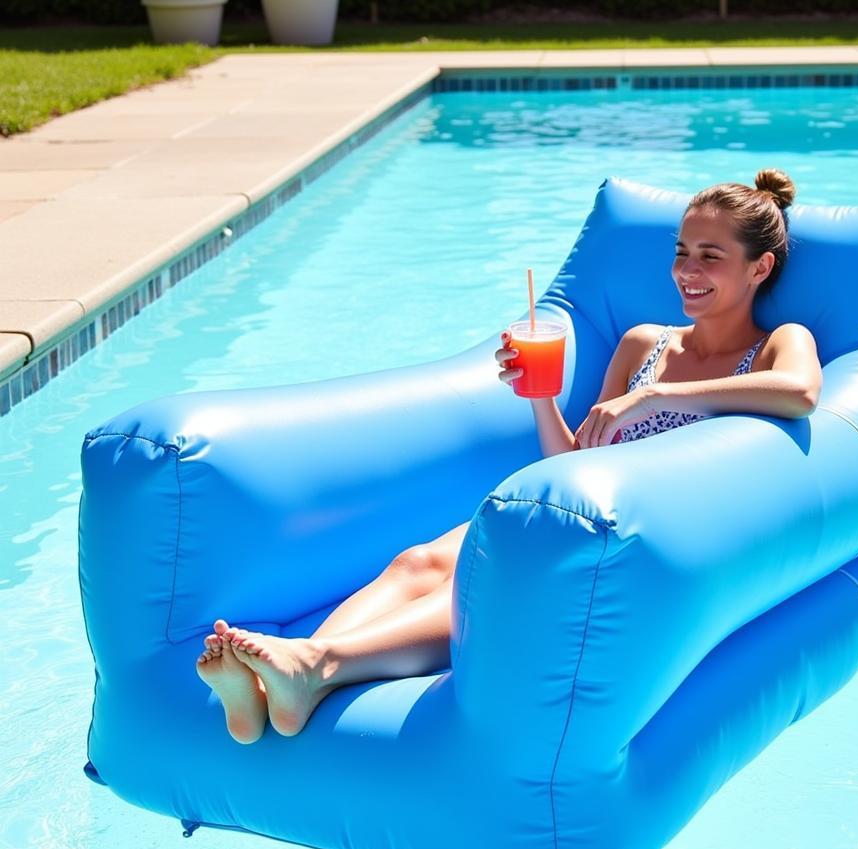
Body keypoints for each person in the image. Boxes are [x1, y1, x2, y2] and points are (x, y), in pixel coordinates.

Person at [196, 168, 823, 744]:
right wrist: (540, 396)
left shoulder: (778, 344)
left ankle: (318, 666)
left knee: (479, 581)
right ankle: (284, 676)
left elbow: (799, 393)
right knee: (418, 561)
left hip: (641, 545)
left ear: (759, 268)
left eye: (711, 257)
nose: (688, 270)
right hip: (571, 514)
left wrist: (656, 397)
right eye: (682, 253)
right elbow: (574, 462)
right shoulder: (644, 344)